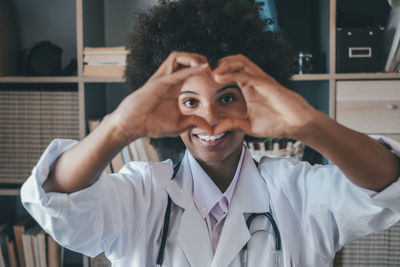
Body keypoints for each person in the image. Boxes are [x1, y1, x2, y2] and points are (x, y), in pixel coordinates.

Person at [21, 0, 400, 266]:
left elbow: (387, 186)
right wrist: (121, 126)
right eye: (189, 102)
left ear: (251, 102)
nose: (210, 120)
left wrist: (309, 124)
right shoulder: (140, 194)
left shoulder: (299, 191)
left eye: (227, 98)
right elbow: (57, 200)